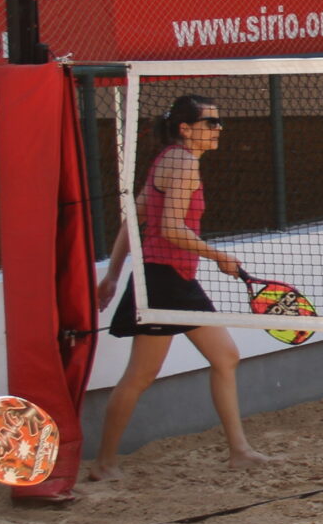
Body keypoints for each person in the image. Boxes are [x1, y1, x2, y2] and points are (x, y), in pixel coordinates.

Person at [88, 94, 275, 481]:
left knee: (224, 356)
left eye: (219, 122)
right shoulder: (184, 163)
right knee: (140, 375)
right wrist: (217, 255)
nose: (218, 129)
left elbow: (132, 221)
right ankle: (105, 464)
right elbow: (171, 230)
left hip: (170, 276)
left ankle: (239, 451)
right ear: (185, 129)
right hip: (164, 278)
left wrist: (112, 275)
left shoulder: (167, 160)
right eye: (211, 123)